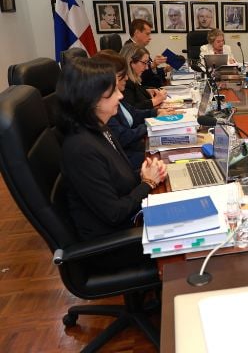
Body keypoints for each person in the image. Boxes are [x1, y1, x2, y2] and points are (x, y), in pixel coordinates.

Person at [56, 57, 166, 241]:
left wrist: (142, 173)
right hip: (116, 242)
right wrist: (148, 184)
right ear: (92, 99)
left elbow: (115, 177)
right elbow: (114, 213)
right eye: (113, 91)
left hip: (131, 223)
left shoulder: (99, 127)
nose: (120, 96)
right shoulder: (81, 149)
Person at [95, 50, 176, 170]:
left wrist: (156, 112)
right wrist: (153, 123)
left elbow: (133, 112)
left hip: (134, 149)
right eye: (122, 75)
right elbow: (123, 137)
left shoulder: (115, 96)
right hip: (128, 157)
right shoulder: (104, 106)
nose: (127, 77)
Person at [119, 43, 167, 110]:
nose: (147, 68)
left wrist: (146, 91)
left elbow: (135, 91)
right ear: (131, 62)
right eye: (144, 62)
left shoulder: (131, 79)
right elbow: (131, 110)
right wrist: (155, 100)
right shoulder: (124, 82)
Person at [125, 19, 170, 87]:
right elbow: (139, 77)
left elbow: (149, 71)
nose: (150, 38)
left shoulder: (140, 48)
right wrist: (152, 65)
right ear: (136, 33)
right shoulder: (130, 49)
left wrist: (165, 69)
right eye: (147, 34)